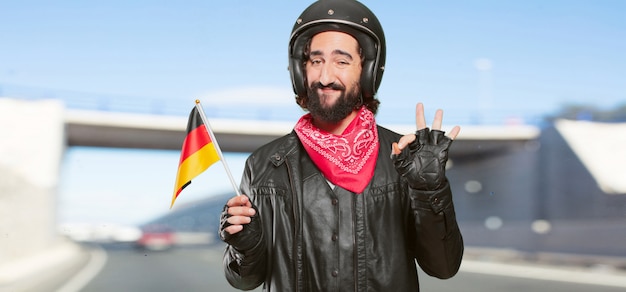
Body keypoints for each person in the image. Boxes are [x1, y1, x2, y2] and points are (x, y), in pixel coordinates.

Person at [219, 0, 463, 290]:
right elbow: (245, 280)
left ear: (367, 71)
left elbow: (443, 267)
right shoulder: (262, 166)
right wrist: (246, 245)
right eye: (316, 61)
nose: (325, 77)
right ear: (301, 70)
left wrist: (429, 192)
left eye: (342, 61)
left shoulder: (405, 159)